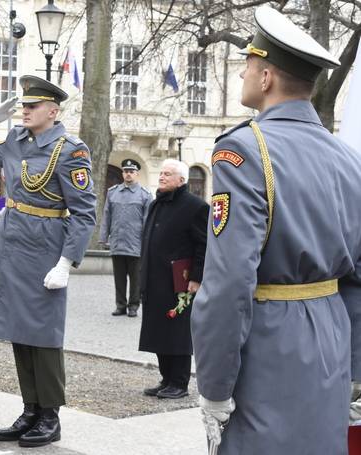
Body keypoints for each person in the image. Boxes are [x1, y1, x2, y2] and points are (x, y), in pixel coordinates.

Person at [191, 6, 361, 453]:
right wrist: (355, 371)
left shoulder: (244, 151)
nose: (244, 73)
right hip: (331, 338)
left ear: (265, 77)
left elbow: (228, 283)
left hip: (268, 345)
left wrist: (213, 385)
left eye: (248, 64)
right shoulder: (348, 159)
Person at [0, 75, 96, 447]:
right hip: (11, 243)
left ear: (53, 112)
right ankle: (30, 408)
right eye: (23, 105)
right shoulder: (15, 141)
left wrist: (66, 262)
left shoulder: (70, 150)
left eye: (32, 106)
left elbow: (85, 213)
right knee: (18, 330)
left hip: (44, 246)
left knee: (43, 333)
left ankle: (50, 415)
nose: (24, 110)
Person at [138, 159, 208, 400]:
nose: (162, 177)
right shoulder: (157, 203)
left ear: (181, 180)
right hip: (154, 277)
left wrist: (197, 278)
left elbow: (204, 245)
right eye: (162, 173)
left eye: (168, 174)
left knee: (177, 332)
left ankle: (179, 382)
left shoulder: (196, 206)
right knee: (158, 331)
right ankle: (166, 378)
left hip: (179, 281)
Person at [99, 159, 151, 317]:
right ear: (122, 173)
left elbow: (148, 221)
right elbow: (107, 215)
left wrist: (147, 243)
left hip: (136, 243)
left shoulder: (145, 195)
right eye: (126, 171)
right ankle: (120, 305)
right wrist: (103, 237)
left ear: (137, 174)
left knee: (136, 278)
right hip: (117, 241)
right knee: (119, 277)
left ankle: (134, 305)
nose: (128, 174)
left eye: (131, 171)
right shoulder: (113, 192)